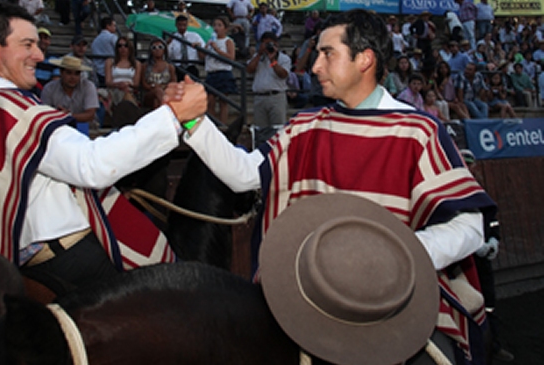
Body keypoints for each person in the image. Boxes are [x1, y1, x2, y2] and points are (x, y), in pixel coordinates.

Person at [165, 9, 496, 365]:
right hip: (308, 295)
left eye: (328, 54)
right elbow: (245, 174)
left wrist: (396, 256)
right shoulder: (305, 126)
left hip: (393, 303)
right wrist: (194, 121)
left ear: (365, 59)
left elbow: (469, 226)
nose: (315, 67)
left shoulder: (419, 132)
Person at [0, 3, 206, 357]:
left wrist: (162, 115)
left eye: (38, 43)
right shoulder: (4, 108)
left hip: (41, 255)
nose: (39, 52)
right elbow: (91, 165)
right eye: (27, 44)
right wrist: (174, 118)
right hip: (66, 257)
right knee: (174, 322)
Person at [460, 149, 515, 363]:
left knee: (489, 302)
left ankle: (493, 346)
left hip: (482, 259)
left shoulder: (480, 192)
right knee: (468, 301)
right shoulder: (453, 191)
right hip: (464, 260)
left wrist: (494, 240)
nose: (468, 167)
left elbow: (492, 220)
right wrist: (473, 246)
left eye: (470, 164)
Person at [246, 31, 290, 128]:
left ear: (276, 44)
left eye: (269, 43)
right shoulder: (257, 57)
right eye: (264, 43)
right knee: (260, 130)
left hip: (276, 97)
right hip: (259, 97)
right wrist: (259, 55)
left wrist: (272, 60)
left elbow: (283, 74)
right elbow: (249, 69)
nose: (267, 46)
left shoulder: (283, 58)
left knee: (278, 129)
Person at [42, 55, 99, 127]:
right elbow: (45, 114)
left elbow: (90, 115)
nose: (73, 77)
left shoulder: (88, 86)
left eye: (77, 73)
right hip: (58, 128)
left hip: (86, 128)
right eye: (69, 73)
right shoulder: (49, 88)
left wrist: (66, 116)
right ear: (61, 72)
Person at [201, 15, 237, 124]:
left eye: (219, 25)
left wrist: (217, 50)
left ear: (225, 28)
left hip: (223, 72)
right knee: (210, 100)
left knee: (223, 101)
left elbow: (231, 57)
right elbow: (202, 57)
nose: (216, 28)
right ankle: (212, 124)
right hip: (212, 72)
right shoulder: (210, 41)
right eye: (215, 25)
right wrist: (204, 48)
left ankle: (222, 124)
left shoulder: (228, 41)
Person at [104, 36, 142, 109]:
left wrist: (127, 84)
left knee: (127, 93)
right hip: (114, 89)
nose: (123, 48)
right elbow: (108, 82)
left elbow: (136, 83)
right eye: (120, 46)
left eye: (126, 46)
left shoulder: (137, 64)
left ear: (129, 48)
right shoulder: (110, 62)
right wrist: (118, 84)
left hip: (129, 89)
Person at [167, 15, 204, 81]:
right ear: (176, 25)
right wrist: (168, 44)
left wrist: (199, 46)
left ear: (187, 25)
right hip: (178, 67)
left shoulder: (195, 36)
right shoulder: (172, 38)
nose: (182, 27)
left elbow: (204, 50)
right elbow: (169, 55)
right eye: (180, 25)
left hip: (191, 66)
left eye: (184, 25)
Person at [142, 38, 175, 109]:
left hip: (165, 92)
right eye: (154, 48)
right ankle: (165, 107)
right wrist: (153, 87)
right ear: (151, 51)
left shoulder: (170, 67)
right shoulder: (145, 66)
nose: (157, 49)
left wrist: (163, 87)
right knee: (157, 91)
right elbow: (143, 83)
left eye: (160, 47)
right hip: (149, 93)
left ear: (164, 50)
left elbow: (173, 82)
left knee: (156, 101)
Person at [91, 17, 118, 86]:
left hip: (98, 70)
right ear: (108, 26)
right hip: (111, 70)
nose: (115, 28)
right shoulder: (112, 37)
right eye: (114, 25)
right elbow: (118, 48)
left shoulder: (95, 40)